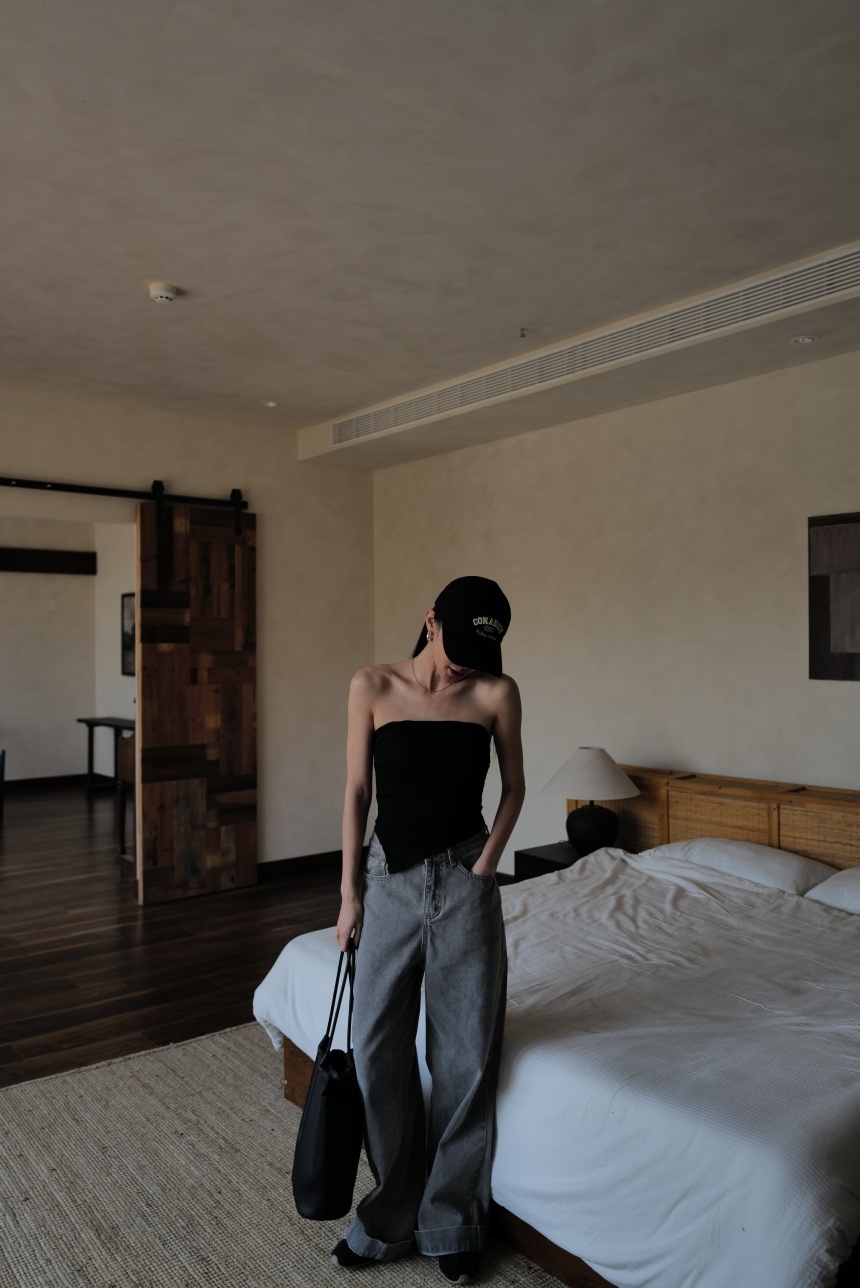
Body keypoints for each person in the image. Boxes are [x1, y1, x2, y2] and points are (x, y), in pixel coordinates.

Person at [332, 575, 525, 1285]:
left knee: (464, 1056)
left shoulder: (496, 693)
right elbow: (357, 792)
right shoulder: (372, 685)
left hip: (466, 880)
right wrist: (349, 893)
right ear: (430, 621)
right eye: (457, 645)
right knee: (375, 1047)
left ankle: (452, 1219)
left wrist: (487, 863)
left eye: (480, 652)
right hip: (389, 878)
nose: (464, 664)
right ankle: (390, 1214)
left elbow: (515, 786)